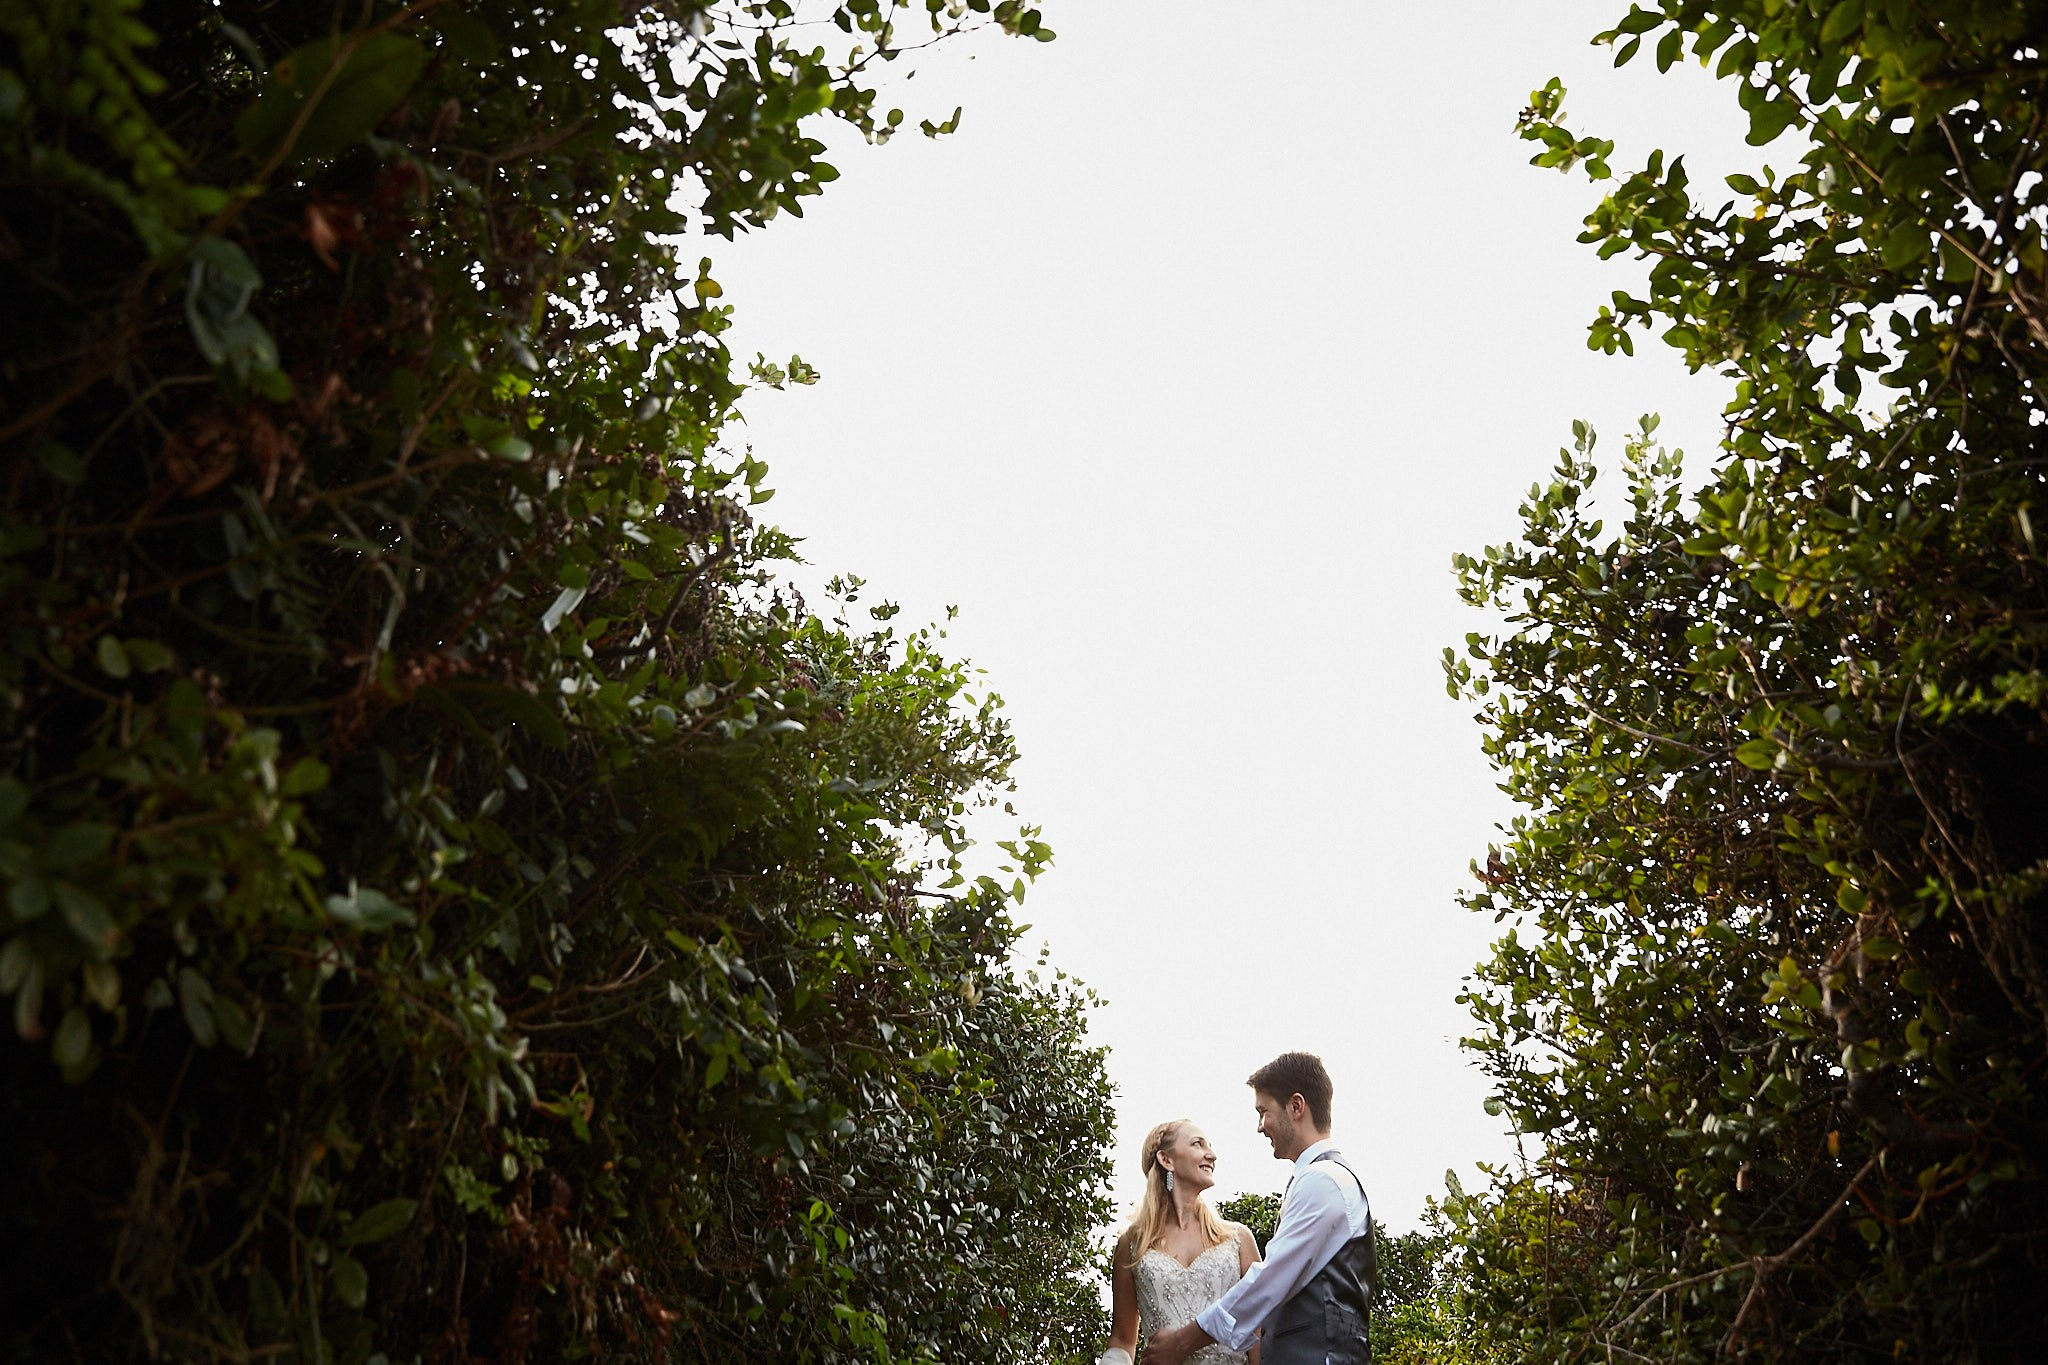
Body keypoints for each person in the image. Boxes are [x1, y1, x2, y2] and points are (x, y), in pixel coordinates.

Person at [1143, 1053, 1374, 1365]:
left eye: (1263, 1111)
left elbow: (1268, 1284)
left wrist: (1183, 1342)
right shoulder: (1317, 1179)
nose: (1260, 1127)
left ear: (1296, 1107)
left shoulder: (1324, 1181)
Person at [1097, 1119, 1262, 1365]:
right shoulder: (1132, 1244)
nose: (1212, 1155)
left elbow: (1259, 1329)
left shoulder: (1237, 1239)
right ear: (1167, 1160)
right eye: (1198, 1144)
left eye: (1210, 1146)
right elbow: (1122, 1340)